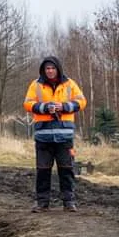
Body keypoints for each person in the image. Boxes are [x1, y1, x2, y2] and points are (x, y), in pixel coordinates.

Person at [23, 55, 87, 212]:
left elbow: (82, 101)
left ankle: (69, 202)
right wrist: (45, 108)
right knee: (43, 170)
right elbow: (27, 103)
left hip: (64, 136)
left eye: (52, 68)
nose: (50, 71)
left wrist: (64, 106)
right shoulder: (35, 85)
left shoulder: (69, 84)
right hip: (43, 135)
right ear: (43, 70)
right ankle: (42, 203)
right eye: (47, 69)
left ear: (58, 69)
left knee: (67, 169)